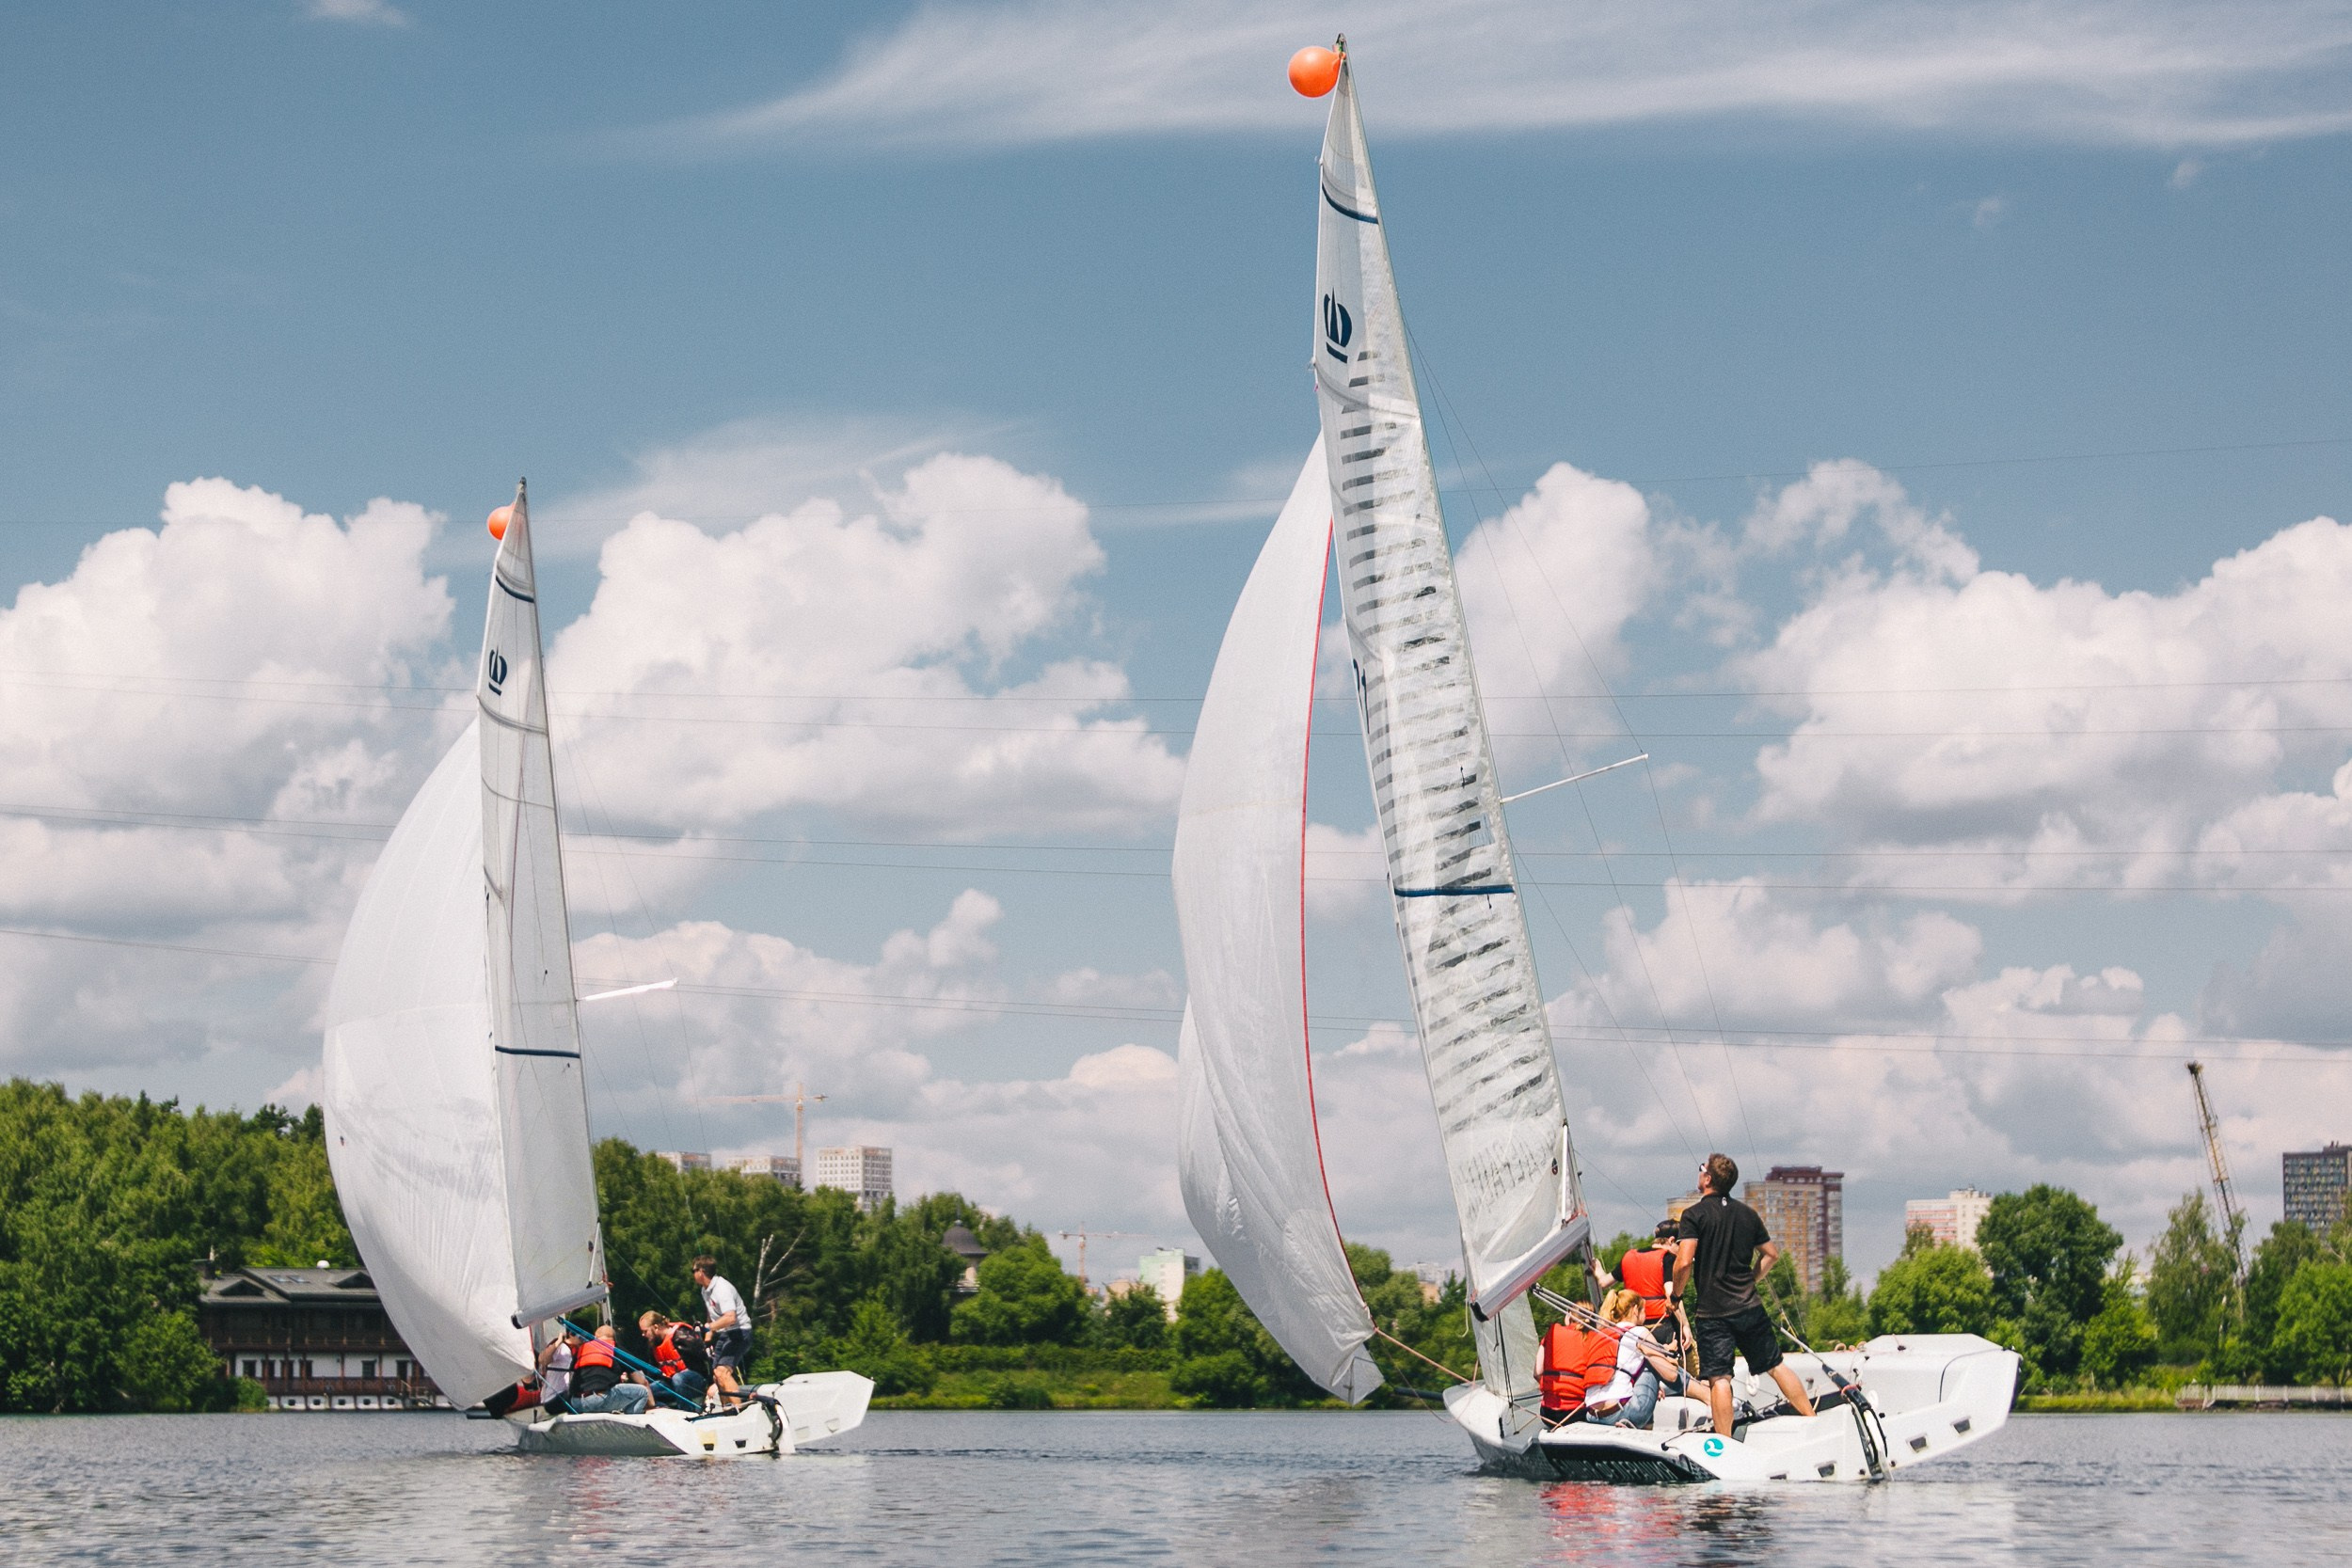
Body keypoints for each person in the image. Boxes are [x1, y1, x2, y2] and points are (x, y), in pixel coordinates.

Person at [1675, 1152, 1815, 1437]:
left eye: (1702, 1169)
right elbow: (1771, 1255)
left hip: (1713, 1313)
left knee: (1720, 1379)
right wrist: (1750, 1280)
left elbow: (1684, 1261)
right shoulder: (1747, 1214)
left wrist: (1675, 1296)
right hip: (1749, 1306)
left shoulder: (1693, 1215)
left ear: (1708, 1179)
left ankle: (1724, 1444)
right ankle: (1813, 1421)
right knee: (1775, 1365)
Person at [1582, 1289, 1690, 1430]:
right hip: (1623, 1414)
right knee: (1650, 1361)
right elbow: (1671, 1375)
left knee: (1640, 1360)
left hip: (1592, 1415)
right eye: (1644, 1310)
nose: (1646, 1315)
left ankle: (1647, 1429)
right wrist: (1668, 1356)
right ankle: (1704, 1394)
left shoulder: (1602, 1336)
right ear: (1635, 1310)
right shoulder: (1638, 1332)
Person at [692, 1255, 751, 1404]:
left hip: (740, 1332)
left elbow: (730, 1318)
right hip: (726, 1333)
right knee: (717, 1376)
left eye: (694, 1271)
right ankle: (727, 1409)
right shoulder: (705, 1290)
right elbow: (711, 1314)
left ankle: (738, 1409)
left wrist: (708, 1327)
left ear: (701, 1272)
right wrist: (707, 1339)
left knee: (723, 1372)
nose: (692, 1274)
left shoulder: (721, 1289)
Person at [566, 1324, 651, 1416]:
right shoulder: (616, 1349)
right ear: (614, 1339)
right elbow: (641, 1381)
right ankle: (632, 1419)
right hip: (600, 1400)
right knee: (642, 1392)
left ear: (595, 1337)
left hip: (576, 1403)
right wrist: (651, 1403)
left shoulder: (581, 1350)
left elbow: (571, 1378)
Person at [536, 1323, 580, 1416]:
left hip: (564, 1395)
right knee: (583, 1400)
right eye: (581, 1337)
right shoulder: (562, 1347)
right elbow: (542, 1360)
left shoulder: (574, 1350)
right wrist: (558, 1342)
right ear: (571, 1334)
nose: (583, 1341)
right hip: (553, 1399)